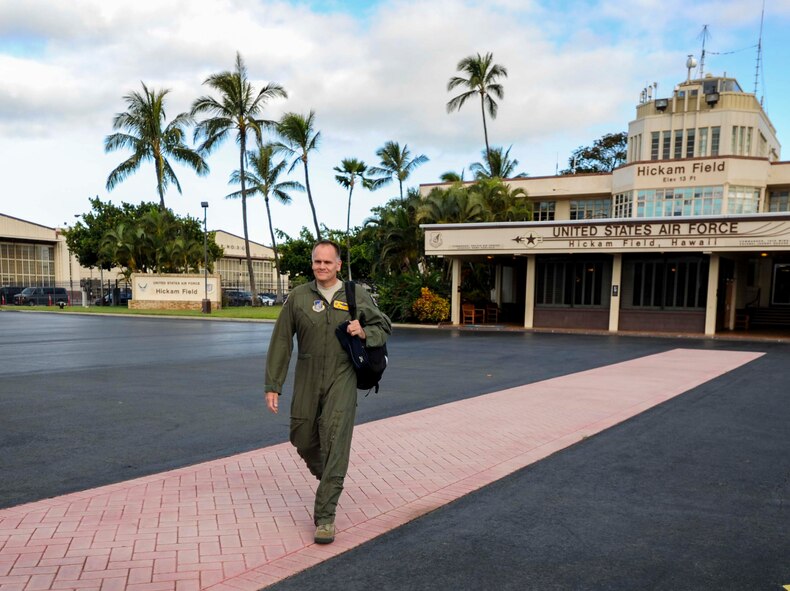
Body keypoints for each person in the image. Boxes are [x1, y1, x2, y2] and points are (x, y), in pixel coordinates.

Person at [264, 239, 391, 544]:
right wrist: (273, 384)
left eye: (327, 262)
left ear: (337, 265)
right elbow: (282, 341)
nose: (322, 267)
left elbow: (384, 326)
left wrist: (364, 331)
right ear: (313, 265)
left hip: (342, 375)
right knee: (301, 434)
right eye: (317, 262)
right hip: (307, 376)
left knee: (335, 439)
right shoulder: (298, 297)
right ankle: (331, 478)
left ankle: (325, 517)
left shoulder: (355, 294)